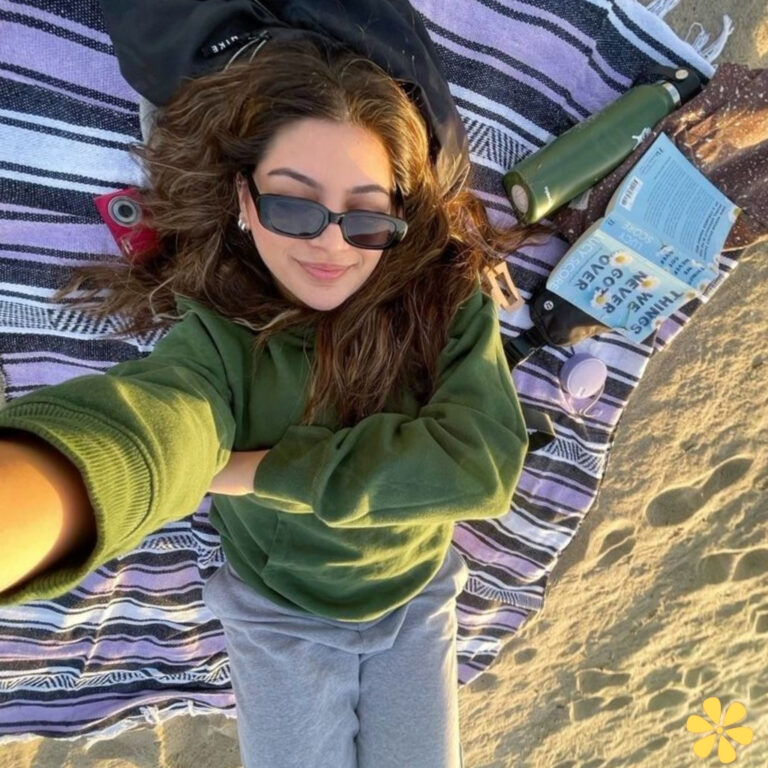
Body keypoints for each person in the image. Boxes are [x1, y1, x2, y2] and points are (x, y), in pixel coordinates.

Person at [0, 38, 531, 768]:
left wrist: (256, 471)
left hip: (415, 596)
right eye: (294, 205)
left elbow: (481, 467)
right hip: (280, 612)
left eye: (367, 216)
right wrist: (43, 491)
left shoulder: (446, 298)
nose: (333, 246)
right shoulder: (217, 336)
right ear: (246, 201)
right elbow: (155, 428)